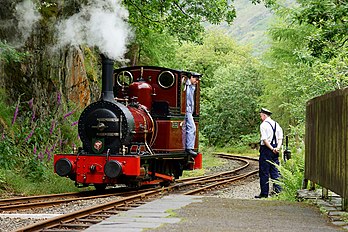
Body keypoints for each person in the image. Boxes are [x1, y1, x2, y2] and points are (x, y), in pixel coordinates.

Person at [255, 108, 283, 198]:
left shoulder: (263, 125)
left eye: (261, 115)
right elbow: (280, 138)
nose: (260, 117)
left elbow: (265, 139)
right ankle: (278, 191)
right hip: (275, 148)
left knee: (264, 172)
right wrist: (277, 148)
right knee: (275, 170)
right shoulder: (276, 124)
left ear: (264, 115)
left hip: (266, 149)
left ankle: (264, 193)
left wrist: (271, 149)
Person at [184, 74, 199, 157]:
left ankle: (189, 147)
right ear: (191, 77)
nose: (196, 82)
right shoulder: (186, 85)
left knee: (190, 128)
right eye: (196, 79)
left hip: (189, 110)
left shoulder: (191, 86)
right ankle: (189, 147)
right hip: (187, 110)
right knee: (192, 128)